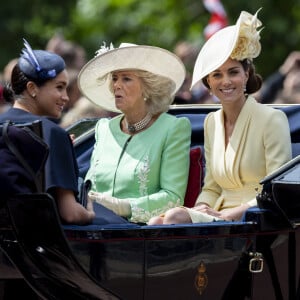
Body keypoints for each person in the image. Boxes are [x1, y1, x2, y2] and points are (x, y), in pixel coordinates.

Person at [148, 9, 292, 225]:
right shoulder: (211, 122)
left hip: (255, 217)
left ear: (246, 76)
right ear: (209, 84)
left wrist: (226, 215)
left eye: (233, 72)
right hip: (219, 216)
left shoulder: (273, 119)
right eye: (217, 75)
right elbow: (212, 187)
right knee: (155, 223)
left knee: (173, 218)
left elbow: (275, 191)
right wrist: (201, 208)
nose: (226, 81)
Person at [78, 42, 192, 224]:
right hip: (94, 227)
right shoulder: (104, 128)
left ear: (147, 87)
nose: (117, 85)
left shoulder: (173, 128)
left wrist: (123, 207)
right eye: (114, 78)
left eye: (126, 79)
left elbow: (173, 198)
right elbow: (90, 187)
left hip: (138, 234)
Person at [0, 39, 95, 225]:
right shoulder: (53, 133)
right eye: (59, 87)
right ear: (32, 88)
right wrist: (90, 211)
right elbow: (71, 214)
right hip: (38, 247)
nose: (66, 97)